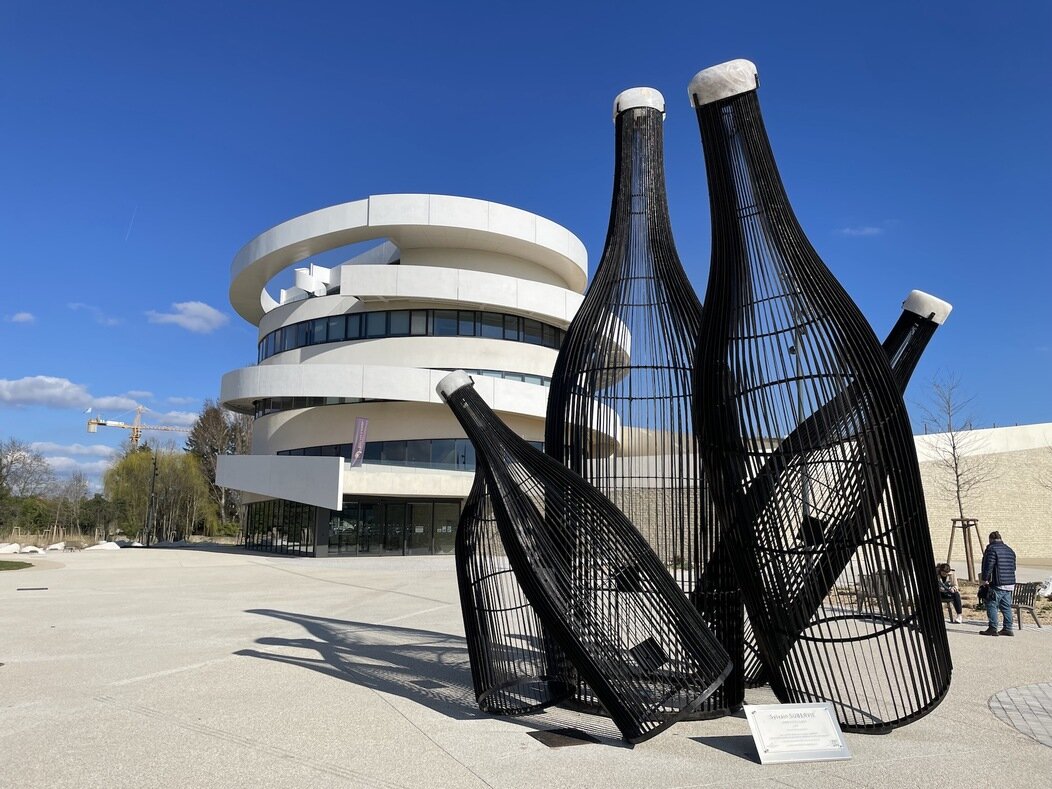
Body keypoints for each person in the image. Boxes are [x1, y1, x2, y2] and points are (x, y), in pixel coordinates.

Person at [979, 530, 1016, 636]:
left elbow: (989, 565)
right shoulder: (1010, 550)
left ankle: (993, 628)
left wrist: (984, 579)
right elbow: (1014, 567)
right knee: (1006, 606)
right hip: (1009, 583)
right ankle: (1008, 628)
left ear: (990, 539)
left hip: (997, 583)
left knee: (991, 604)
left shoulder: (991, 549)